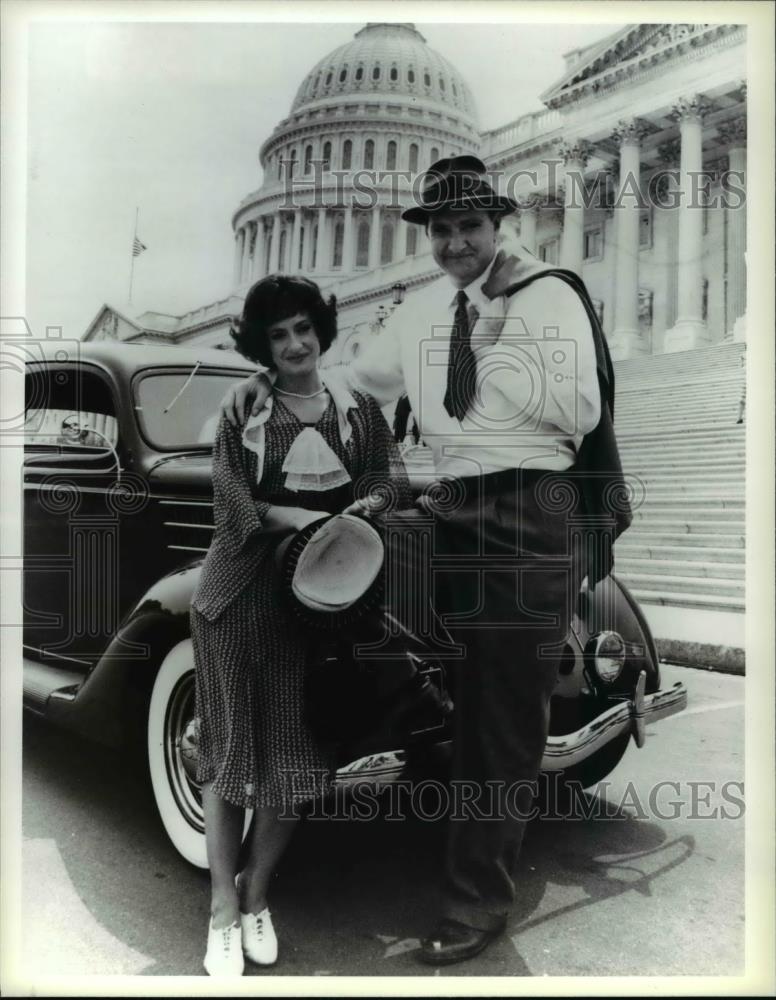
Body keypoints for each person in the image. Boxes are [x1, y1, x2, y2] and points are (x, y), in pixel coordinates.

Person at [219, 157, 631, 965]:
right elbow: (355, 378)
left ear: (496, 226)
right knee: (384, 621)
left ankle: (477, 903)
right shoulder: (419, 313)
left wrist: (492, 331)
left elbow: (580, 409)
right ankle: (354, 758)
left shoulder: (547, 294)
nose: (453, 243)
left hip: (527, 509)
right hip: (452, 508)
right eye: (441, 230)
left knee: (503, 720)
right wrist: (267, 383)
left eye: (468, 227)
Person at [191, 274, 410, 976]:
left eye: (302, 328)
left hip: (320, 600)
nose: (294, 344)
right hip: (240, 594)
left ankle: (257, 894)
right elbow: (230, 502)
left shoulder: (356, 406)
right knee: (231, 756)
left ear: (321, 328)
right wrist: (298, 518)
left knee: (295, 756)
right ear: (262, 344)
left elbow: (384, 479)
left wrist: (362, 511)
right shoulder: (242, 410)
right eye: (277, 334)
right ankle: (221, 908)